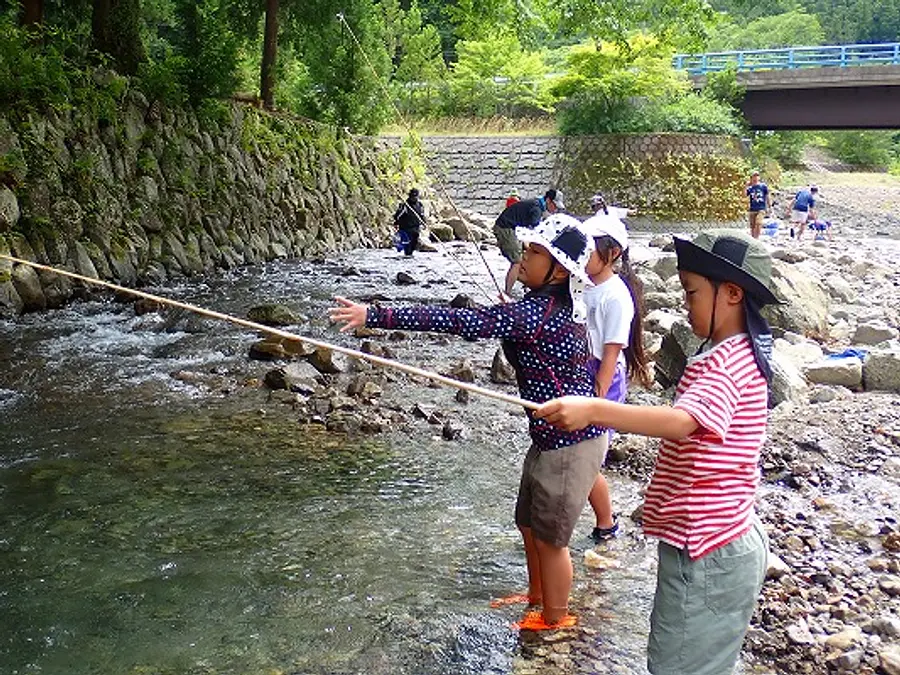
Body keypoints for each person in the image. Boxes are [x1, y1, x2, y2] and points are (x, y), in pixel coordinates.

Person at [329, 214, 605, 631]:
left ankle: (554, 620)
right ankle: (536, 598)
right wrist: (510, 314)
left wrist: (377, 315)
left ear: (560, 269)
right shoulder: (545, 306)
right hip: (549, 437)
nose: (523, 257)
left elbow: (463, 323)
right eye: (527, 249)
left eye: (534, 252)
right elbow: (513, 323)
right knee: (528, 524)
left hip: (571, 443)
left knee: (551, 540)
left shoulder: (536, 313)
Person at [535, 229, 776, 674]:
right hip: (720, 538)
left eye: (692, 292)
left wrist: (592, 409)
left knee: (677, 665)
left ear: (732, 293)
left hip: (707, 549)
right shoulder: (740, 353)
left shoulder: (727, 361)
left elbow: (683, 423)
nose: (686, 304)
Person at [580, 214, 652, 543]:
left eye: (589, 251)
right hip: (582, 370)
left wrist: (596, 399)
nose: (582, 258)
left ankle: (606, 522)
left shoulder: (616, 296)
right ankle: (604, 520)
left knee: (587, 458)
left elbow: (610, 353)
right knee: (578, 454)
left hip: (603, 378)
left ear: (611, 254)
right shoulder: (583, 285)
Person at [493, 189, 565, 297]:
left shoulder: (537, 204)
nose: (555, 209)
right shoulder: (536, 209)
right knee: (517, 262)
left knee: (527, 256)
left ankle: (523, 286)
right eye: (555, 206)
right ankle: (507, 293)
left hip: (512, 228)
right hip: (505, 228)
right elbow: (535, 232)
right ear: (549, 201)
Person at [393, 188, 425, 257]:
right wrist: (396, 222)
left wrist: (424, 223)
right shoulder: (405, 206)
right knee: (407, 248)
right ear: (410, 196)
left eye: (416, 196)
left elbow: (422, 216)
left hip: (416, 229)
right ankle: (407, 258)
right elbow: (397, 216)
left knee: (413, 246)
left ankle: (410, 257)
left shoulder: (420, 205)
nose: (414, 198)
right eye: (413, 196)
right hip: (406, 230)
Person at [745, 171, 771, 239]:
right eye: (754, 176)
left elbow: (767, 196)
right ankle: (753, 239)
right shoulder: (750, 188)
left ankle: (757, 238)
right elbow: (744, 195)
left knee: (758, 223)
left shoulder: (763, 186)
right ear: (751, 178)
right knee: (752, 226)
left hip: (761, 208)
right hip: (752, 209)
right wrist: (745, 186)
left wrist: (770, 206)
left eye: (757, 176)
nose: (756, 178)